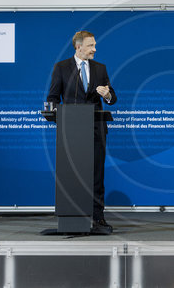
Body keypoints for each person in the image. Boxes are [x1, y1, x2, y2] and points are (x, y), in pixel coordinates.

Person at [47, 30, 117, 232]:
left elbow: (112, 98)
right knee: (72, 175)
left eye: (94, 45)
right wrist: (58, 118)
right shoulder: (61, 68)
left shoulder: (100, 68)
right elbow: (53, 98)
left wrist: (107, 95)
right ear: (78, 47)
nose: (95, 49)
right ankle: (72, 216)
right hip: (71, 132)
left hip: (95, 129)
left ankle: (98, 217)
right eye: (91, 45)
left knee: (96, 175)